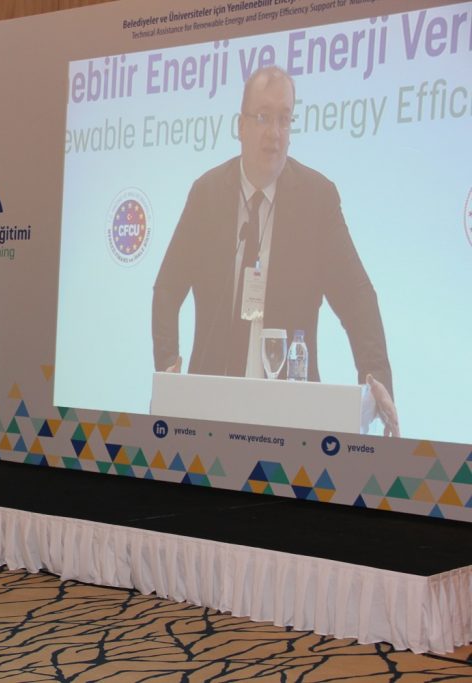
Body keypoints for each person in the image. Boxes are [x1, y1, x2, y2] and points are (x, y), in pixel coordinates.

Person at [151, 66, 399, 436]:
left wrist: (375, 376)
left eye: (284, 119)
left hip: (292, 416)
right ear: (241, 126)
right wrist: (168, 366)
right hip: (210, 410)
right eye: (263, 117)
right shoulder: (207, 194)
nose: (275, 134)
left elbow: (357, 298)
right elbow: (168, 288)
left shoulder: (317, 199)